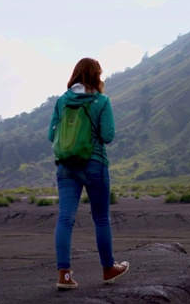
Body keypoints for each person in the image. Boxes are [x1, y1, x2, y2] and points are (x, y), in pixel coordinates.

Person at [48, 57, 129, 290]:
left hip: (66, 168)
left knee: (65, 219)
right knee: (101, 218)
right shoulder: (101, 101)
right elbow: (108, 136)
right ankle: (108, 269)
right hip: (95, 165)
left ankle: (64, 275)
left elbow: (50, 135)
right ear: (95, 76)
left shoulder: (62, 101)